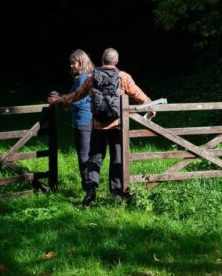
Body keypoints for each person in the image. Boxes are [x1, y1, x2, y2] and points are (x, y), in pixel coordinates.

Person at [48, 47, 151, 206]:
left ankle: (90, 191)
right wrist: (150, 107)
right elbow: (141, 97)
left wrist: (59, 100)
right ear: (116, 62)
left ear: (102, 61)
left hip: (97, 125)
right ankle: (117, 194)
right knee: (117, 158)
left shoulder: (92, 77)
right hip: (117, 126)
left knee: (95, 158)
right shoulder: (123, 77)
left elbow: (75, 96)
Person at [63, 49, 94, 191]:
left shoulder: (83, 79)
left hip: (83, 121)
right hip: (86, 120)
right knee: (87, 154)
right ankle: (91, 185)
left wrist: (65, 101)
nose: (71, 66)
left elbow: (79, 99)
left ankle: (89, 188)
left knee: (83, 155)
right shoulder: (86, 76)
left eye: (73, 63)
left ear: (81, 62)